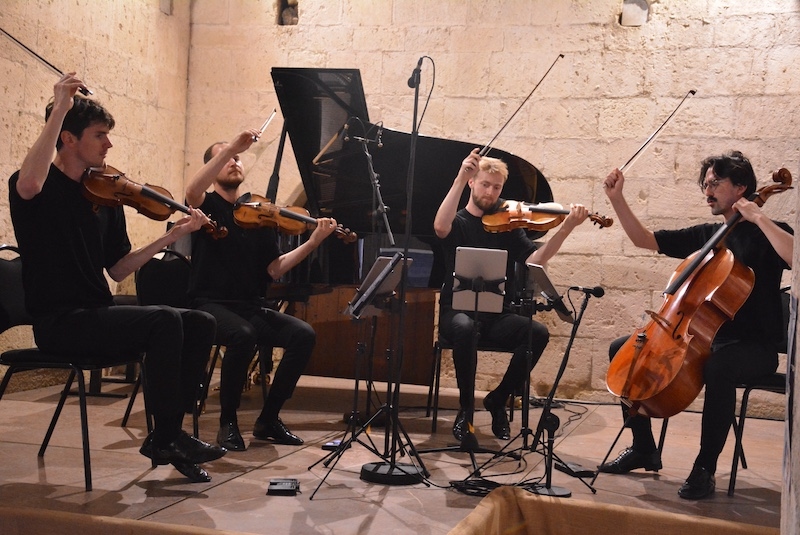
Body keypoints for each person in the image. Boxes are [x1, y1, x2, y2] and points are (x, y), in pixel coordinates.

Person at [8, 73, 226, 483]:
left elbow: (119, 268)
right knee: (164, 319)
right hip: (58, 323)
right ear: (68, 138)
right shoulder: (37, 187)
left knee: (200, 321)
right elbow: (31, 181)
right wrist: (60, 107)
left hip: (95, 315)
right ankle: (167, 438)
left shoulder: (105, 196)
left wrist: (172, 236)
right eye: (99, 135)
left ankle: (169, 432)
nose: (109, 144)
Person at [598, 151, 793, 499]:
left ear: (741, 187)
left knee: (720, 368)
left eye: (715, 183)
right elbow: (644, 240)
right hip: (703, 340)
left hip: (754, 347)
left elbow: (795, 256)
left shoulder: (768, 232)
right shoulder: (707, 235)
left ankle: (705, 468)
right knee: (623, 351)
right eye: (705, 184)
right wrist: (617, 199)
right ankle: (643, 448)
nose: (708, 190)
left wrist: (759, 216)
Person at [185, 128, 337, 451]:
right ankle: (228, 422)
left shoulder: (259, 215)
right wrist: (232, 147)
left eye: (237, 158)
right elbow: (192, 190)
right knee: (243, 335)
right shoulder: (206, 206)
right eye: (225, 158)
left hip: (249, 306)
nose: (234, 162)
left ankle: (268, 419)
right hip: (209, 304)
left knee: (303, 334)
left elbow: (274, 268)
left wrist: (313, 242)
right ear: (213, 167)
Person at [434, 148, 588, 442]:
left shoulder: (507, 225)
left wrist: (566, 228)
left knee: (537, 333)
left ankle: (499, 398)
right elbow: (440, 227)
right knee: (465, 328)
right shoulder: (459, 222)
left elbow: (535, 260)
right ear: (472, 183)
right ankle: (466, 411)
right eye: (485, 184)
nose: (490, 192)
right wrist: (459, 178)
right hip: (457, 312)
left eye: (496, 187)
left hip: (496, 314)